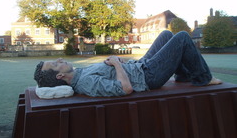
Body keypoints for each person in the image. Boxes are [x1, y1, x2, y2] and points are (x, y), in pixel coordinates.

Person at [34, 30, 222, 97]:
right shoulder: (85, 83)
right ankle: (202, 78)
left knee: (166, 35)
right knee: (181, 38)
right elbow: (125, 89)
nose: (59, 60)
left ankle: (182, 75)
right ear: (60, 76)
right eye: (56, 64)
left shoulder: (79, 73)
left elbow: (106, 73)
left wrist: (110, 63)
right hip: (147, 77)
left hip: (139, 66)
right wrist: (116, 64)